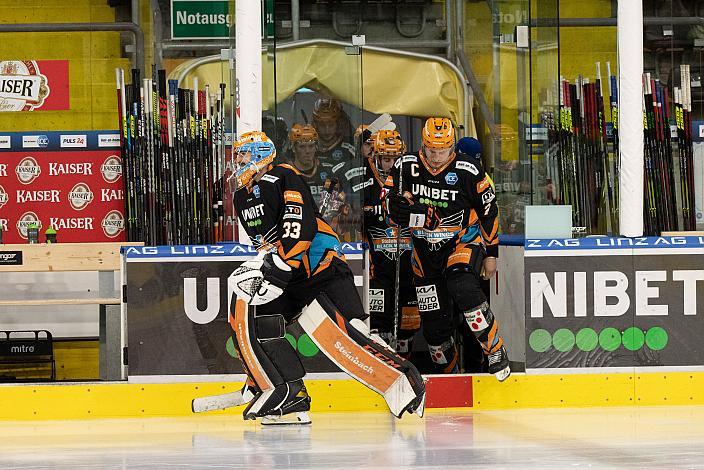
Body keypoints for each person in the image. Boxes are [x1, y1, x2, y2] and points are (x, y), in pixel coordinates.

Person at [226, 130, 426, 425]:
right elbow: (265, 241)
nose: (237, 162)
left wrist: (282, 265)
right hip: (292, 276)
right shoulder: (242, 196)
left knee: (351, 335)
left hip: (323, 268)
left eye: (242, 155)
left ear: (258, 155)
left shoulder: (283, 176)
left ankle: (407, 384)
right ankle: (284, 391)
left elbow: (300, 224)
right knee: (252, 317)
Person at [384, 118, 510, 381]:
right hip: (424, 252)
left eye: (442, 150)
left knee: (462, 286)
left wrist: (491, 254)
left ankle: (495, 350)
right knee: (434, 330)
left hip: (462, 242)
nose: (437, 156)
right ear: (423, 145)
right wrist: (395, 207)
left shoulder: (469, 169)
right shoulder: (405, 166)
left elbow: (489, 212)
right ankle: (450, 376)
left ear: (452, 146)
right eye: (431, 150)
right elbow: (388, 199)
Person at [364, 129, 420, 360]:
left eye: (396, 158)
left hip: (408, 260)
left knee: (408, 323)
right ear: (376, 156)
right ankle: (382, 364)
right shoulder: (363, 179)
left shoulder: (413, 177)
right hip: (378, 262)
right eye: (386, 158)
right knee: (379, 321)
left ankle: (406, 364)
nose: (392, 164)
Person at [287, 123, 333, 208]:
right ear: (293, 148)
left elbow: (339, 200)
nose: (307, 151)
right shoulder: (286, 173)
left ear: (316, 147)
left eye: (311, 146)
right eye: (302, 146)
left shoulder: (328, 170)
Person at [311, 98, 355, 167]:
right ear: (315, 125)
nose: (327, 130)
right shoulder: (308, 147)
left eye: (331, 125)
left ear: (338, 124)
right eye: (322, 125)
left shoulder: (350, 149)